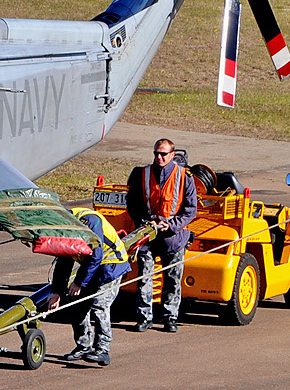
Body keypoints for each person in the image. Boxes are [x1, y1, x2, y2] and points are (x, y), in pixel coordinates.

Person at [126, 138, 199, 333]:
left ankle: (170, 317)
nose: (159, 157)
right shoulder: (142, 174)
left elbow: (191, 210)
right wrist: (144, 222)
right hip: (148, 236)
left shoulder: (185, 176)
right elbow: (132, 203)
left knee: (173, 279)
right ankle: (144, 318)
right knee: (144, 278)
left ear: (172, 155)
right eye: (156, 153)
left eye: (163, 154)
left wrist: (172, 225)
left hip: (173, 238)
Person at [48, 207, 131, 366]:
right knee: (78, 304)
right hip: (92, 267)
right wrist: (57, 291)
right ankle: (83, 346)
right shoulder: (64, 229)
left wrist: (79, 282)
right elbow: (64, 263)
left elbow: (96, 256)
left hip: (111, 265)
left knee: (100, 305)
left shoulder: (90, 221)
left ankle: (103, 350)